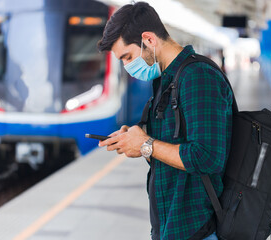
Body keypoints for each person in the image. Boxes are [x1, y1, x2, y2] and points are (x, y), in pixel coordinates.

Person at [97, 2, 233, 240]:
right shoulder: (167, 79)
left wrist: (146, 144)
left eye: (127, 56)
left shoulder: (198, 77)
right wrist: (134, 138)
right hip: (171, 226)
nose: (127, 66)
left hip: (197, 228)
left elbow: (208, 157)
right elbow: (173, 142)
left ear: (149, 40)